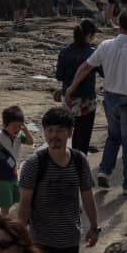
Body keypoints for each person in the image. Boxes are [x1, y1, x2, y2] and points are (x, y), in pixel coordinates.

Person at [66, 10, 127, 195]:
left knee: (113, 137)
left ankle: (105, 170)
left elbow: (85, 67)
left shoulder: (106, 45)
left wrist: (71, 88)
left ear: (119, 25)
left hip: (110, 98)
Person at [18, 107, 99, 253]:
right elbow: (24, 204)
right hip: (41, 243)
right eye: (50, 130)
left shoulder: (79, 160)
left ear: (70, 132)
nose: (54, 135)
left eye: (60, 130)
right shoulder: (33, 164)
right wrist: (20, 239)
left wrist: (95, 227)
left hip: (70, 241)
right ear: (44, 132)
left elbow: (87, 195)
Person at [54, 19, 100, 154]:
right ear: (89, 35)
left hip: (69, 98)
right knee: (84, 134)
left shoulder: (64, 51)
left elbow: (59, 76)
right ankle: (80, 160)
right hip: (86, 99)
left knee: (70, 130)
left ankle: (69, 156)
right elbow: (103, 73)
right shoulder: (92, 53)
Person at [0, 106, 35, 218]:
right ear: (4, 124)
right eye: (14, 126)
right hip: (1, 176)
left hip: (13, 174)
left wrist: (25, 131)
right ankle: (4, 223)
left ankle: (0, 216)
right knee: (6, 204)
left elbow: (31, 142)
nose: (17, 129)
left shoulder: (19, 136)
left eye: (19, 126)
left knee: (14, 199)